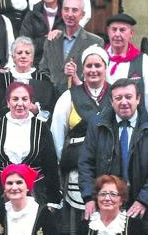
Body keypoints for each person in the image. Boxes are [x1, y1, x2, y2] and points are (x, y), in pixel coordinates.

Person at [79, 78, 148, 234]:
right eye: (118, 98)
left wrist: (144, 200)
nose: (124, 102)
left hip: (144, 206)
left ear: (138, 98)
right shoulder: (97, 125)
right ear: (111, 101)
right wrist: (89, 197)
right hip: (107, 204)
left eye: (128, 97)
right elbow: (86, 163)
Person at [50, 46, 111, 234]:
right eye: (89, 66)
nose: (93, 70)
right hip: (77, 170)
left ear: (105, 67)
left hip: (109, 169)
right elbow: (57, 134)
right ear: (82, 70)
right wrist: (68, 160)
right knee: (78, 221)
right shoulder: (69, 96)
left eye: (98, 65)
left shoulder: (116, 94)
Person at [0, 82, 61, 218]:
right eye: (15, 99)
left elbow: (50, 166)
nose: (20, 103)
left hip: (35, 195)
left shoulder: (41, 128)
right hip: (0, 193)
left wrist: (53, 199)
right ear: (8, 102)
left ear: (31, 102)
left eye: (24, 99)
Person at [39, 0, 104, 96]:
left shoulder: (95, 42)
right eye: (66, 9)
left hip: (80, 97)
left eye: (75, 10)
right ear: (61, 12)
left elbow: (96, 75)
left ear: (82, 14)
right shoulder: (52, 39)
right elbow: (43, 69)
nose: (70, 14)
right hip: (52, 98)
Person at [104, 13, 148, 116]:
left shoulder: (142, 60)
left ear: (131, 33)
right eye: (114, 30)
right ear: (108, 32)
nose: (117, 34)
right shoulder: (101, 58)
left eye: (122, 30)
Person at [0, 37, 56, 117]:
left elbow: (50, 109)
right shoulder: (2, 79)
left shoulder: (43, 79)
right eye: (19, 53)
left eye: (27, 53)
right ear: (13, 57)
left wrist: (37, 110)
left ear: (32, 57)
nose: (23, 56)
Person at [0, 164, 58, 234]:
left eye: (19, 183)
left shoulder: (43, 213)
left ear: (27, 187)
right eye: (10, 183)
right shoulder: (0, 212)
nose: (14, 187)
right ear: (5, 188)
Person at [19, 0, 66, 65]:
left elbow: (75, 39)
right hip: (38, 64)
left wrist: (61, 35)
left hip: (63, 64)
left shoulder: (67, 13)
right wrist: (46, 40)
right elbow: (24, 44)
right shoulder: (32, 15)